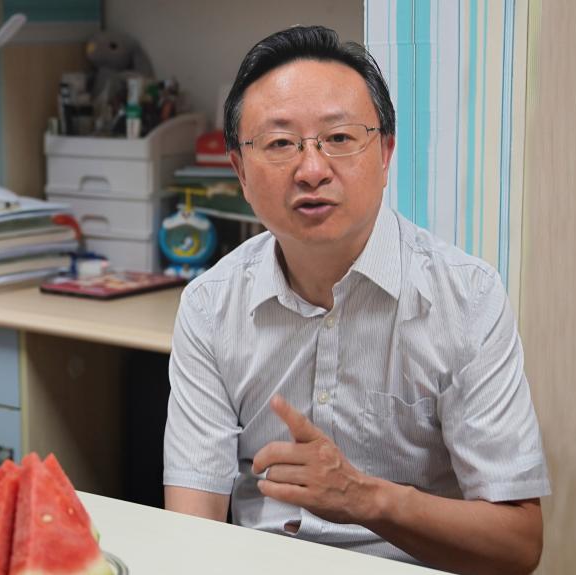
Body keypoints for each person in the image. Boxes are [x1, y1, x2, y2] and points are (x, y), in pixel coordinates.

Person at [163, 25, 549, 573]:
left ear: (386, 153)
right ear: (240, 171)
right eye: (280, 144)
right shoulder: (209, 306)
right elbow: (190, 527)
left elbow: (518, 546)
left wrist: (365, 498)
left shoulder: (467, 298)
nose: (312, 170)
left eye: (340, 138)